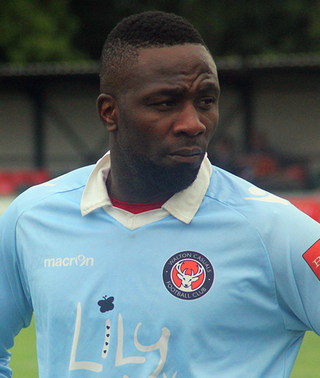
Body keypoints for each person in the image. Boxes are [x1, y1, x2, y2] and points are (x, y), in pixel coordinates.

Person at [0, 11, 320, 378]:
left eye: (206, 100)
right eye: (166, 103)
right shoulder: (31, 218)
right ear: (110, 112)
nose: (193, 123)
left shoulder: (275, 231)